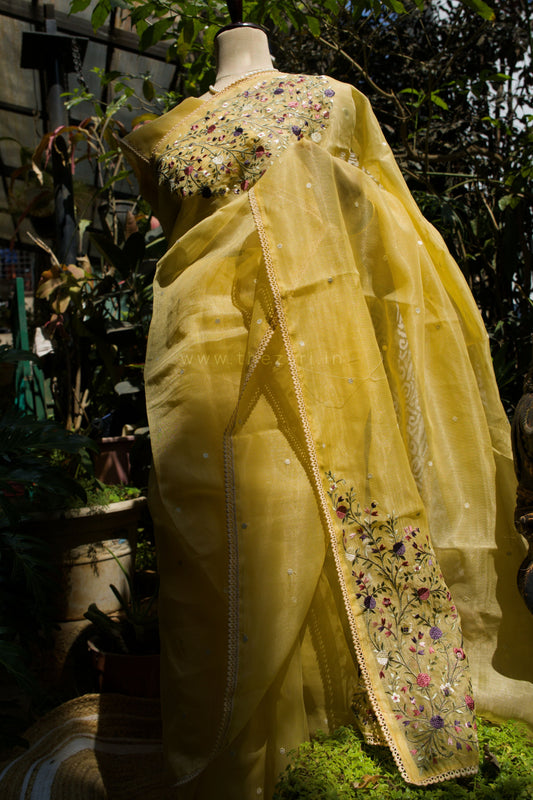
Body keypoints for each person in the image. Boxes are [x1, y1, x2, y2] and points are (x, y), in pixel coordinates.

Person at [120, 22, 533, 799]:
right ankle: (247, 769)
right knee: (226, 559)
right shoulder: (159, 133)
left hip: (321, 357)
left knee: (334, 529)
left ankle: (361, 725)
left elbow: (388, 241)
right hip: (200, 378)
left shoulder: (333, 101)